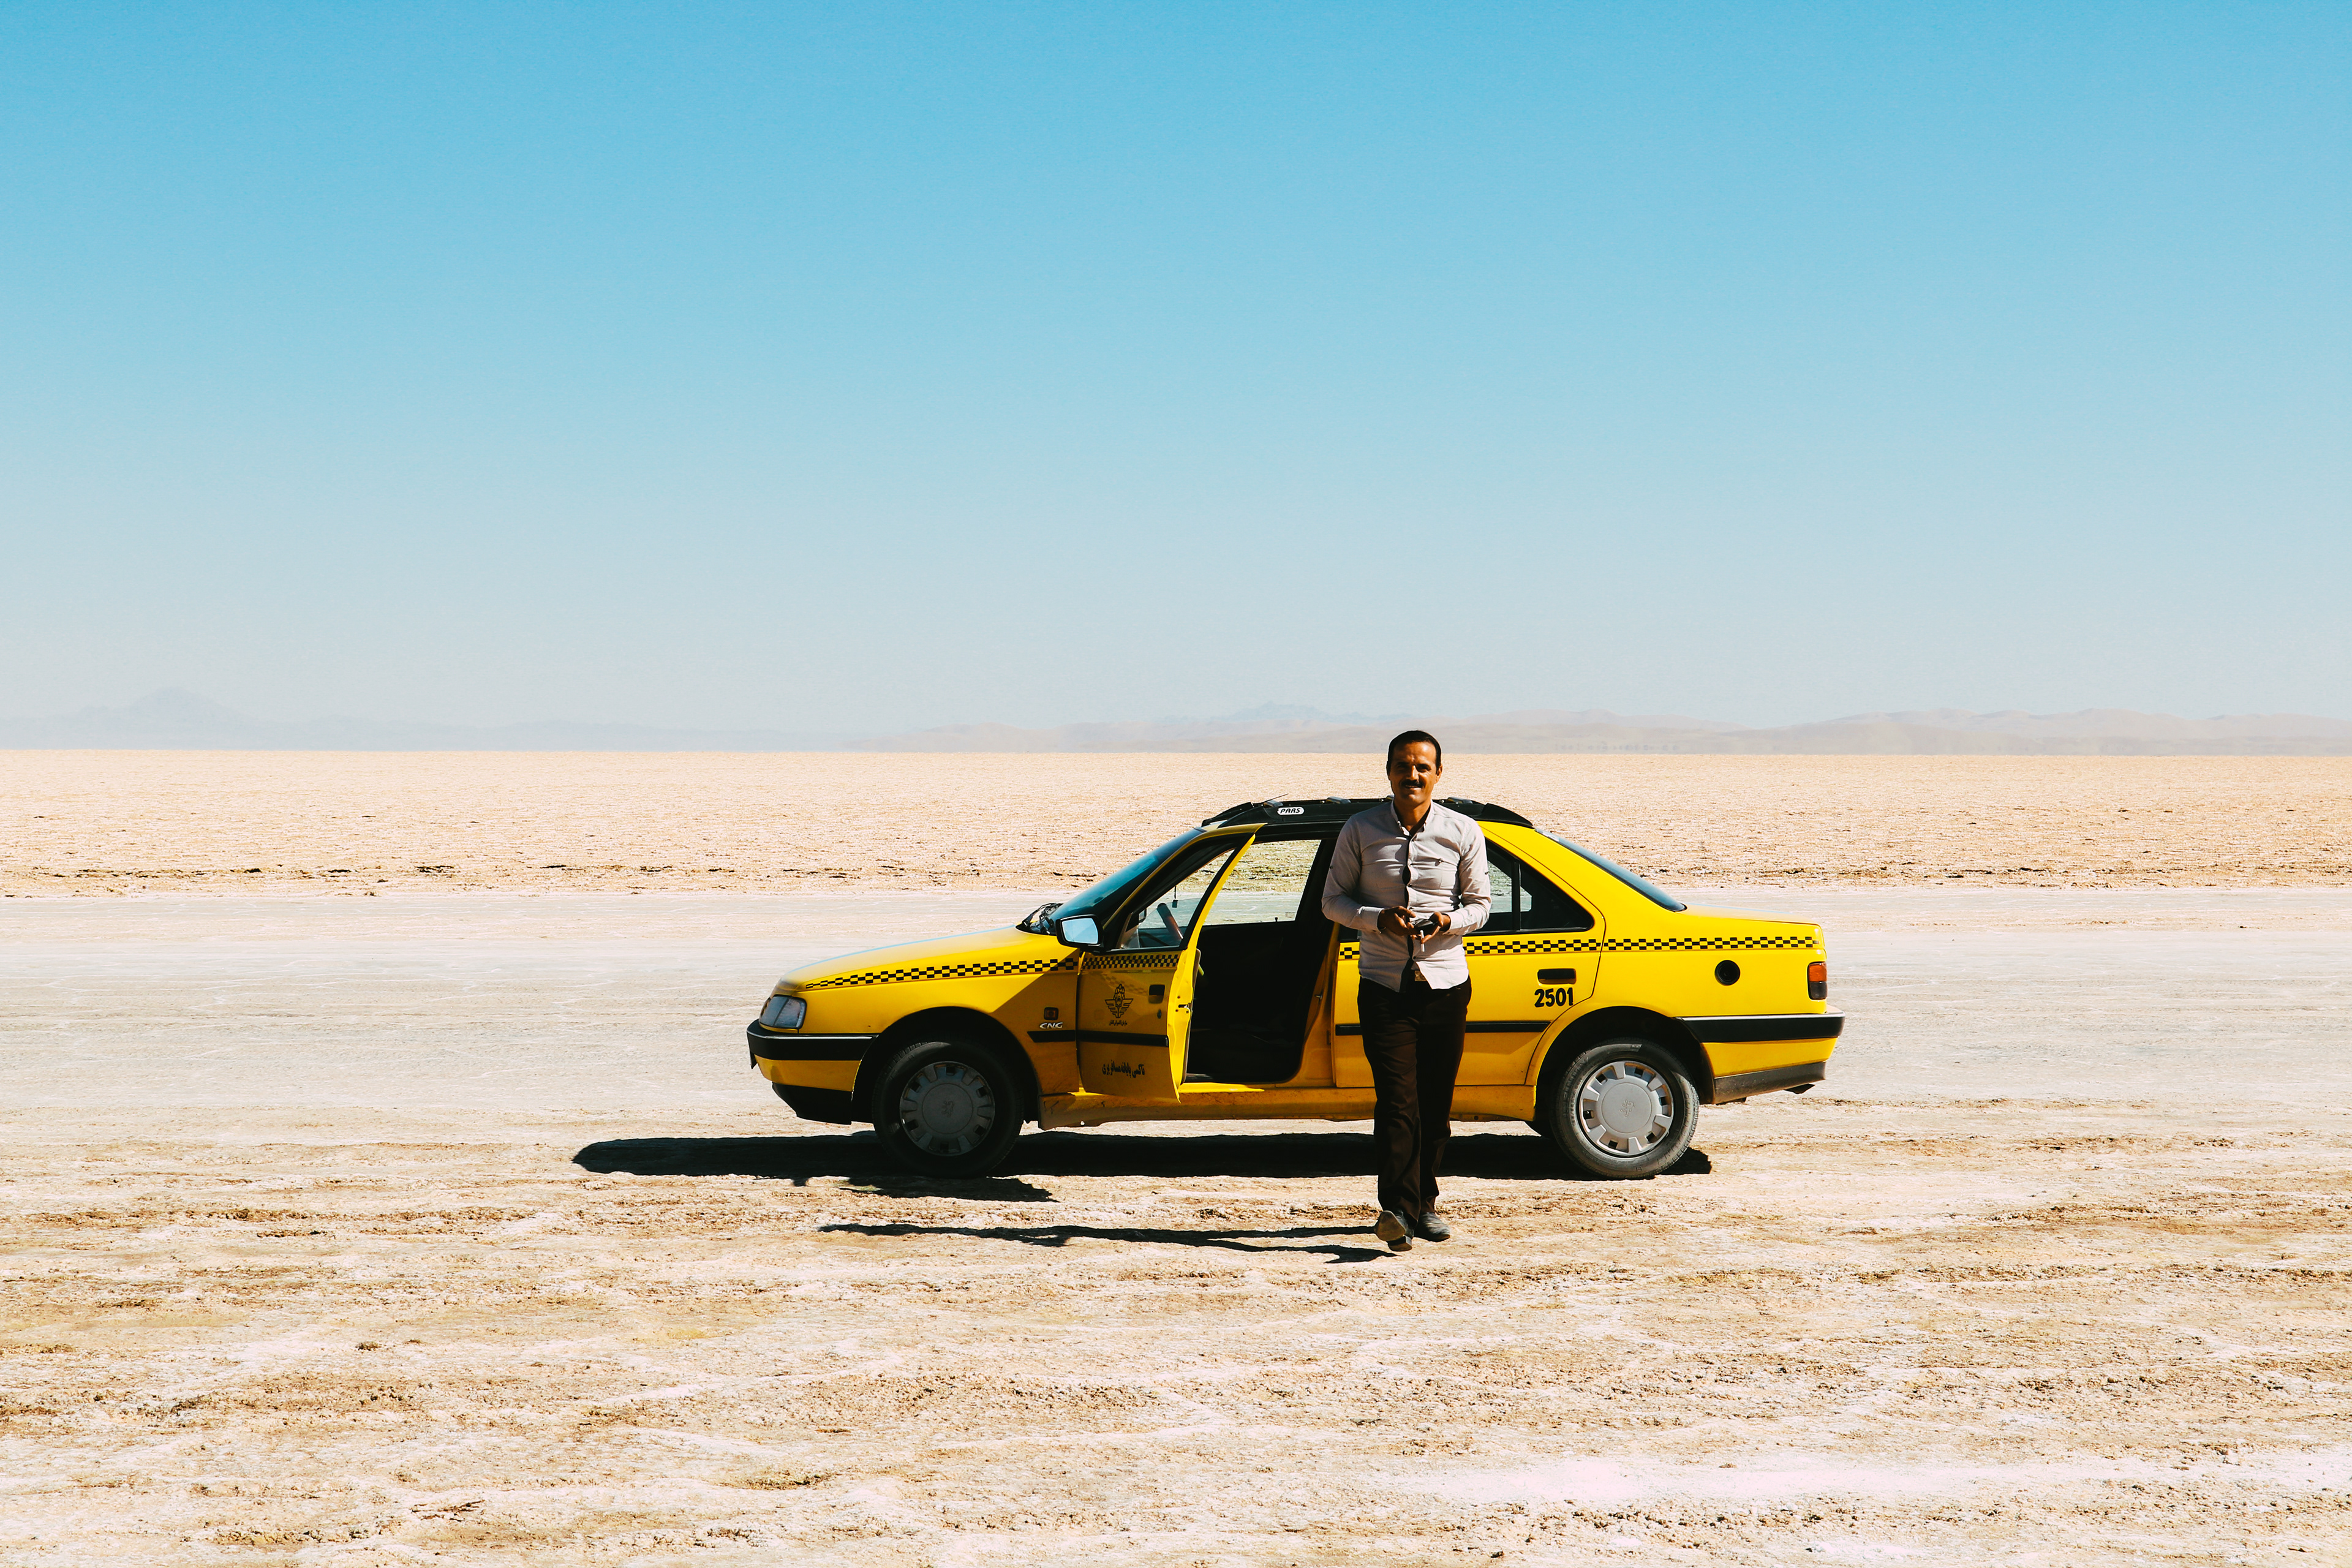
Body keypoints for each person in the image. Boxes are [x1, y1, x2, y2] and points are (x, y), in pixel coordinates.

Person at [1320, 731, 1489, 1251]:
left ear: (1439, 773)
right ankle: (1396, 1210)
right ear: (1387, 771)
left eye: (1422, 767)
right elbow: (1332, 902)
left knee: (1436, 1105)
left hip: (1445, 987)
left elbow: (1482, 905)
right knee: (1397, 1102)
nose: (1412, 776)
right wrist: (1376, 921)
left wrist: (1450, 920)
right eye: (1402, 766)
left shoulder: (1462, 830)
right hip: (1383, 988)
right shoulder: (1360, 829)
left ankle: (1426, 1205)